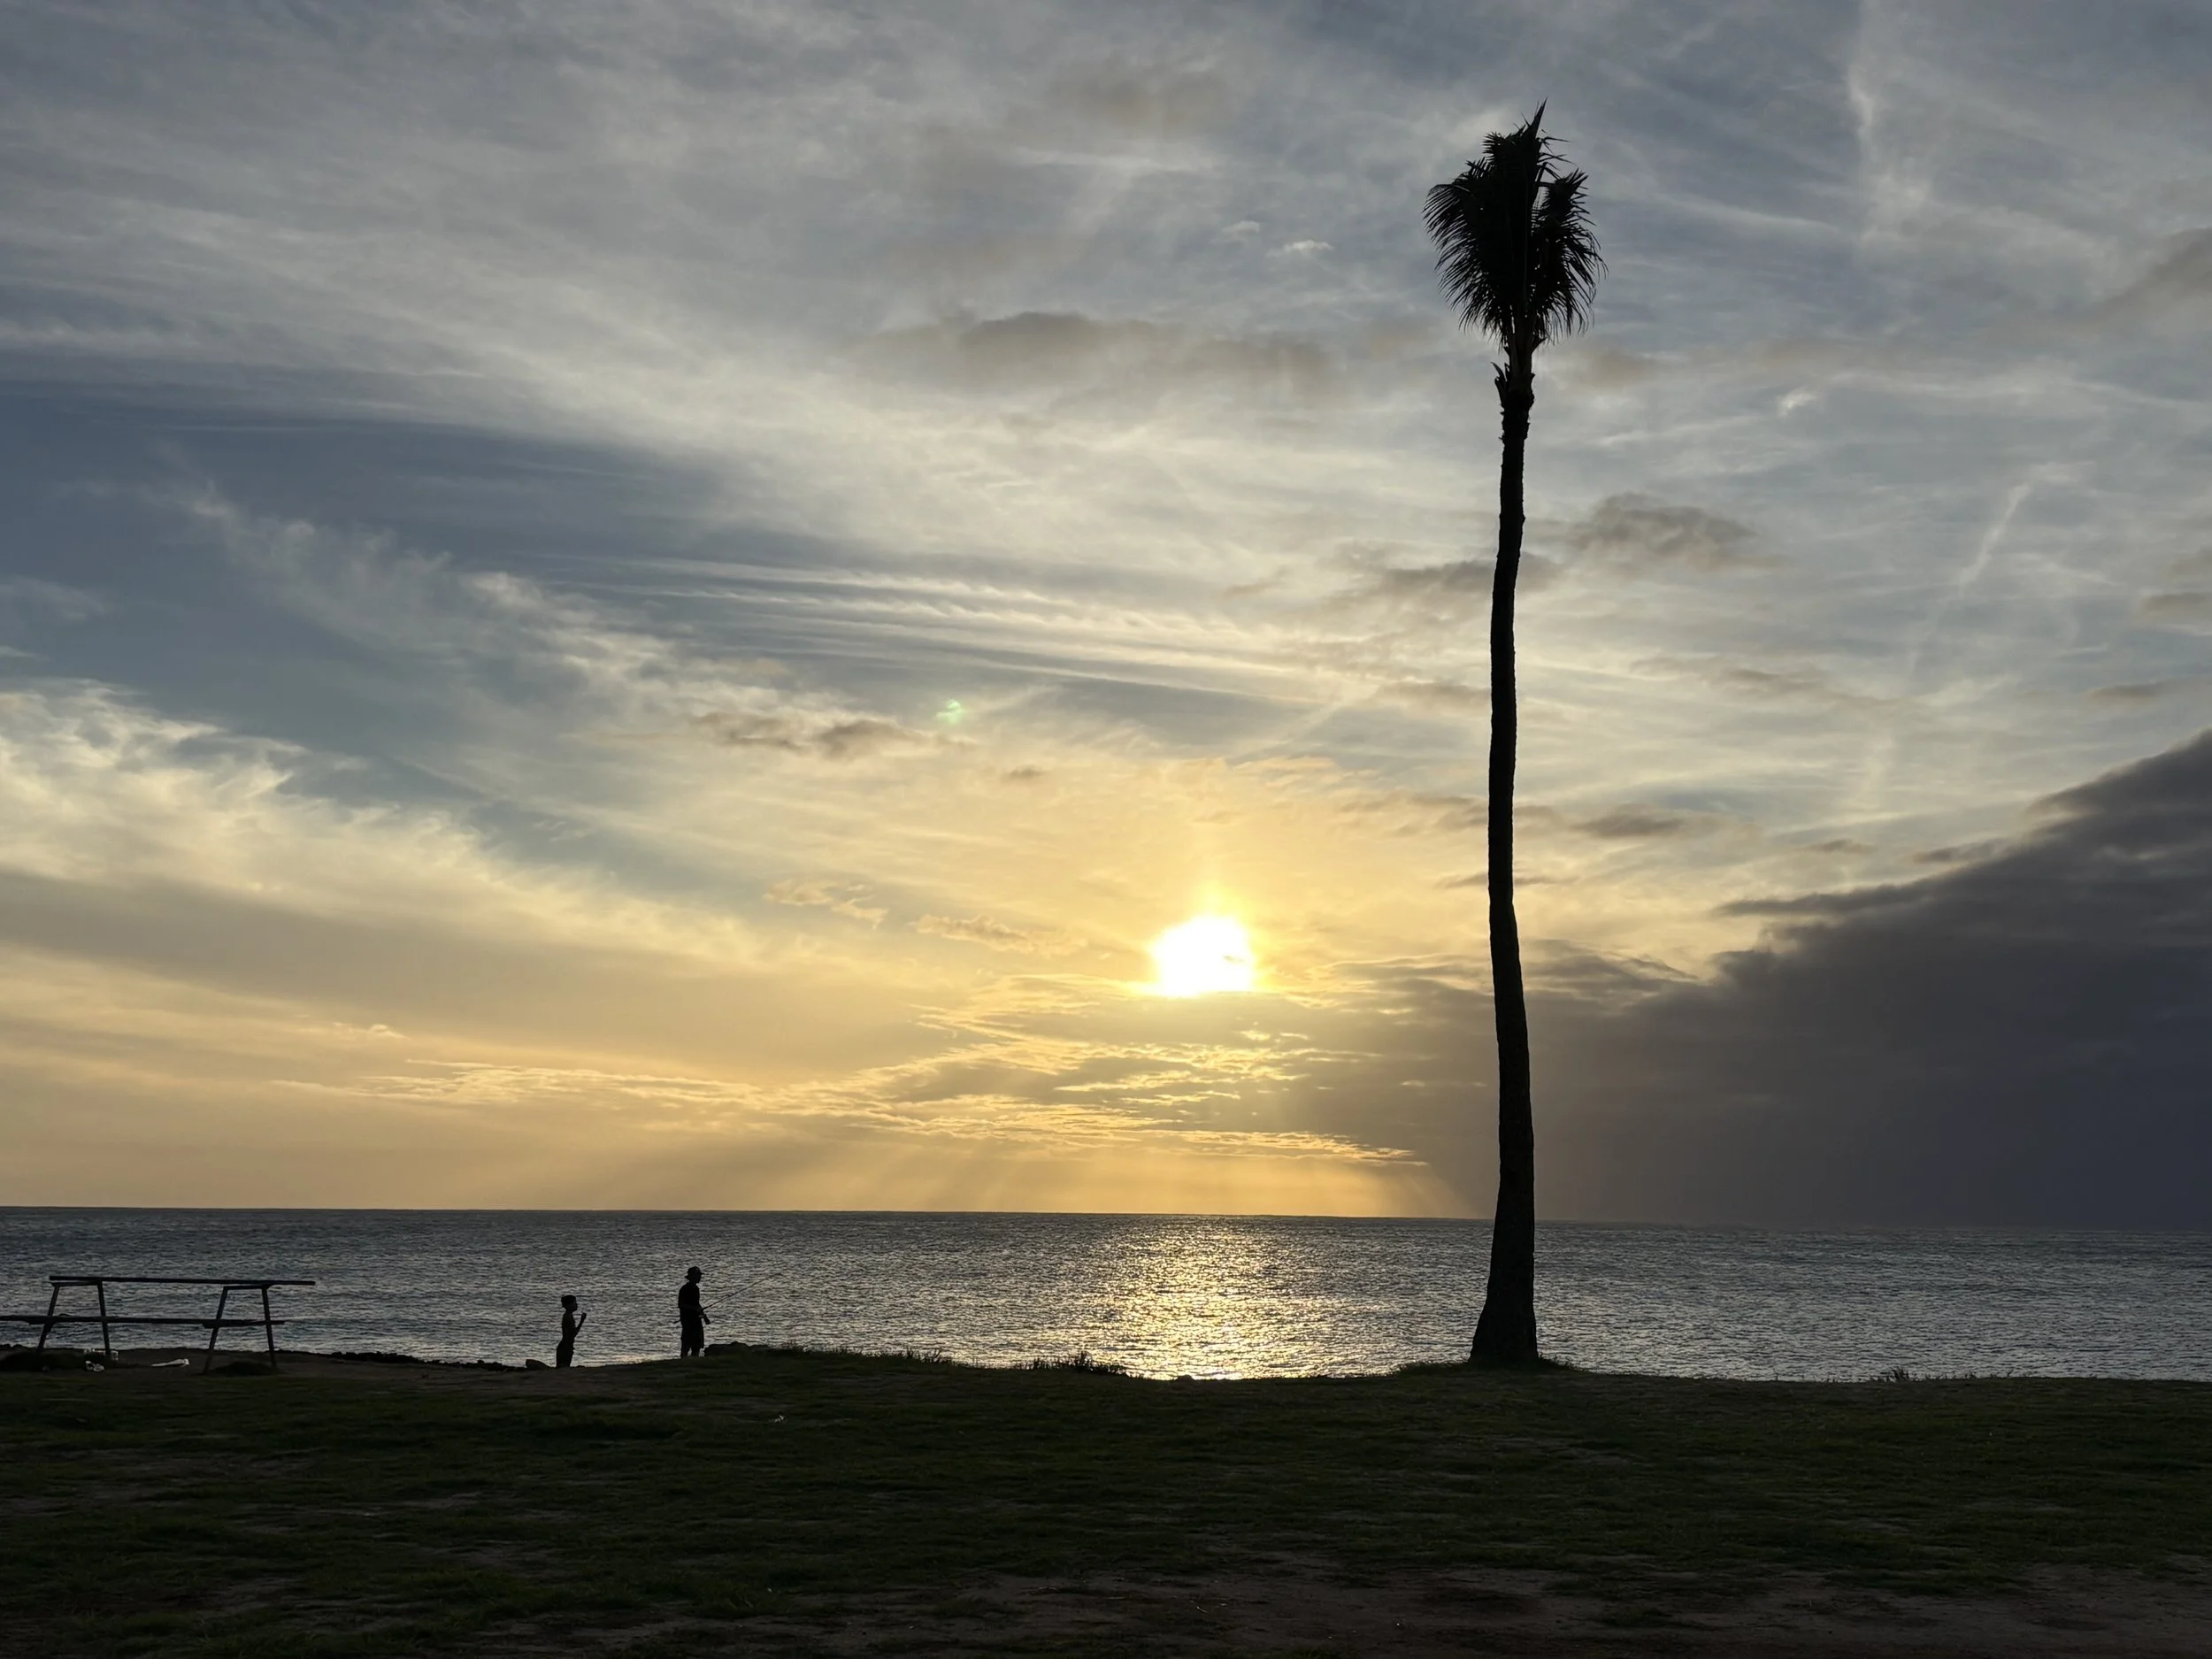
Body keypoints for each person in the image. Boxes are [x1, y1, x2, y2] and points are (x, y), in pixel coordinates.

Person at [678, 1265, 710, 1357]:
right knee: (686, 1344)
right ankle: (683, 1361)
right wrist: (693, 1309)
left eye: (699, 1275)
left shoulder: (696, 1289)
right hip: (688, 1320)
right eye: (697, 1275)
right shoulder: (684, 1289)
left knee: (697, 1345)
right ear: (691, 1277)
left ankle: (694, 1361)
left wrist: (705, 1317)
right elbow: (681, 1305)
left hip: (696, 1320)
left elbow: (697, 1304)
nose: (699, 1277)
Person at [556, 1294, 586, 1369]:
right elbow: (573, 1334)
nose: (576, 1304)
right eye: (574, 1303)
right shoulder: (568, 1317)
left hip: (566, 1345)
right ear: (568, 1305)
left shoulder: (567, 1316)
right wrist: (582, 1321)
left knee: (562, 1368)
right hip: (566, 1347)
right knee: (564, 1367)